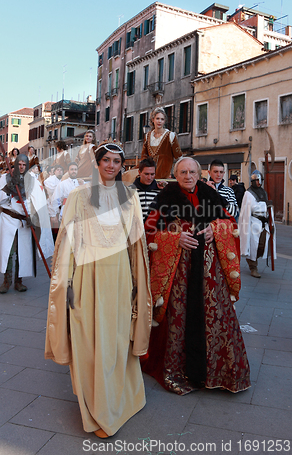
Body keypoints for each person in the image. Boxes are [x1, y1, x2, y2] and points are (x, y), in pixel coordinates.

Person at [45, 141, 152, 438]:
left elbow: (136, 245)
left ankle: (120, 399)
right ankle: (95, 407)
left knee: (116, 340)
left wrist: (135, 282)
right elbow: (67, 242)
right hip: (85, 278)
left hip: (118, 278)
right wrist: (64, 284)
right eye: (106, 160)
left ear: (122, 166)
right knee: (88, 340)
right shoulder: (79, 196)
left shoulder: (129, 197)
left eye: (117, 161)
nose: (111, 166)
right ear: (97, 163)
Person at [142, 157, 250, 395]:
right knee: (179, 316)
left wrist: (215, 229)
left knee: (213, 314)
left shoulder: (210, 195)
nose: (188, 176)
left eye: (192, 172)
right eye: (183, 172)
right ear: (175, 174)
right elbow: (148, 231)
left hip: (210, 272)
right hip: (178, 271)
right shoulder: (165, 198)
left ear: (199, 174)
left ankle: (215, 372)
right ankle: (178, 370)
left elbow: (229, 222)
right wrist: (174, 236)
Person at [0, 154, 54, 293]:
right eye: (19, 164)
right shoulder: (5, 179)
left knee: (23, 252)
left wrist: (34, 217)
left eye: (24, 164)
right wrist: (8, 188)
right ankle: (6, 281)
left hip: (25, 222)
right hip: (9, 219)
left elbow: (39, 202)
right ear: (15, 164)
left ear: (27, 166)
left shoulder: (33, 181)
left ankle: (19, 282)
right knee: (9, 251)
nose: (22, 167)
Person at [238, 170, 276, 278]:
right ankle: (253, 267)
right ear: (253, 181)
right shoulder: (248, 193)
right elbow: (247, 210)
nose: (259, 183)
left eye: (260, 180)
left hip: (264, 223)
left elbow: (268, 209)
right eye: (257, 180)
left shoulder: (264, 192)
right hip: (254, 223)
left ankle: (251, 259)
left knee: (263, 246)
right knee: (254, 245)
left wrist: (271, 222)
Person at [141, 107, 182, 179]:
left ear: (164, 121)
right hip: (149, 177)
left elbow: (179, 157)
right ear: (153, 120)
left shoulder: (170, 136)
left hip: (164, 177)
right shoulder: (148, 136)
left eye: (162, 119)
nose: (159, 121)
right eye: (157, 118)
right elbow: (144, 156)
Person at [44, 165, 64, 242]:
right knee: (54, 232)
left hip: (63, 208)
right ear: (54, 172)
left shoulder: (64, 180)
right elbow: (53, 193)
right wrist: (53, 214)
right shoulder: (49, 181)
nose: (59, 171)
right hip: (53, 209)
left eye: (61, 170)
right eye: (57, 170)